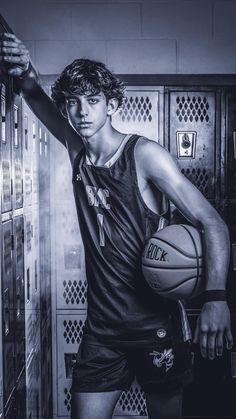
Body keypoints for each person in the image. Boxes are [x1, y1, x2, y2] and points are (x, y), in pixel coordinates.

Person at [0, 33, 233, 419]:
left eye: (93, 101)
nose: (82, 112)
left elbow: (213, 222)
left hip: (156, 326)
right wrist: (24, 69)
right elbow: (36, 99)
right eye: (74, 103)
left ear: (112, 105)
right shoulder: (78, 154)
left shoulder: (143, 155)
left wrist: (216, 298)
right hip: (103, 331)